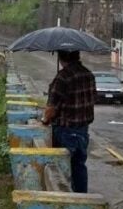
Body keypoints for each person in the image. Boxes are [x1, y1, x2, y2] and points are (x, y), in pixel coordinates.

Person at [41, 50, 95, 193]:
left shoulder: (62, 78)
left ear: (61, 58)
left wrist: (45, 120)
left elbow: (51, 108)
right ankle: (82, 198)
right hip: (83, 131)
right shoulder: (88, 74)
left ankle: (66, 202)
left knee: (60, 170)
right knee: (79, 166)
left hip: (65, 131)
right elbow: (93, 98)